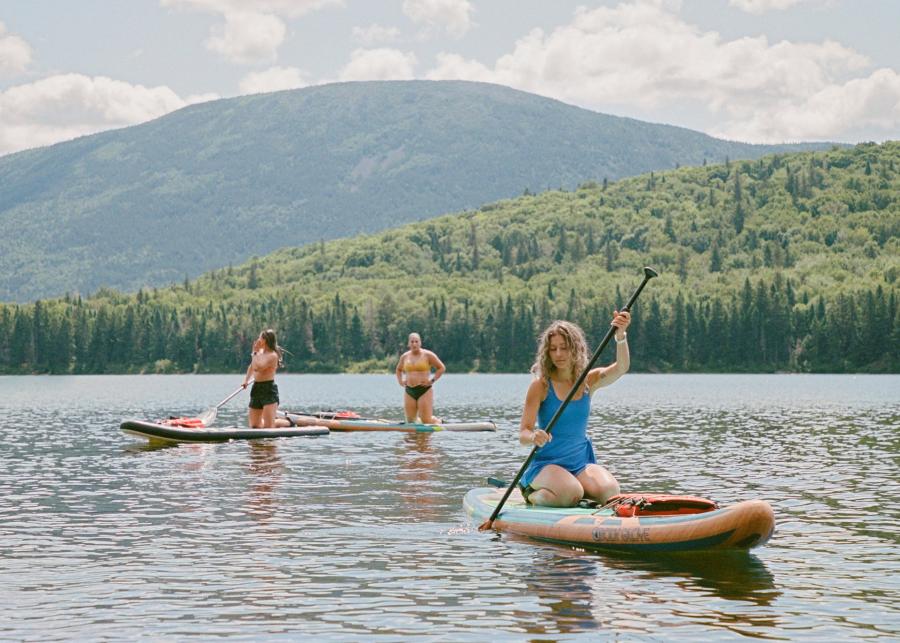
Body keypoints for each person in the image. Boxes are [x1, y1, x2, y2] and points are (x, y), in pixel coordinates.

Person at [518, 311, 631, 508]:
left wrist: (620, 336)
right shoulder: (541, 386)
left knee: (610, 492)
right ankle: (532, 495)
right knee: (571, 493)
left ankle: (574, 491)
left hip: (580, 464)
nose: (559, 354)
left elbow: (621, 367)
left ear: (576, 348)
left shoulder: (588, 380)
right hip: (546, 465)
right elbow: (523, 433)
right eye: (553, 349)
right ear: (547, 352)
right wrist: (534, 436)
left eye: (564, 347)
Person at [395, 332, 446, 424]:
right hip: (409, 390)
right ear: (408, 343)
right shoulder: (405, 356)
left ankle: (438, 421)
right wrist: (400, 381)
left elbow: (441, 368)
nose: (414, 344)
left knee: (426, 421)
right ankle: (414, 435)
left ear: (420, 343)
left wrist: (432, 381)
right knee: (410, 422)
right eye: (412, 342)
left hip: (424, 390)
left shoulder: (428, 355)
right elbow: (398, 369)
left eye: (416, 341)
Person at [241, 329, 285, 428]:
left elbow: (259, 367)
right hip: (256, 388)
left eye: (259, 338)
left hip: (268, 390)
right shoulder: (258, 354)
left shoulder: (273, 356)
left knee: (268, 427)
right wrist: (246, 381)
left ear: (264, 340)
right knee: (255, 426)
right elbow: (252, 366)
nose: (257, 340)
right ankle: (277, 422)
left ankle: (287, 423)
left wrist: (254, 353)